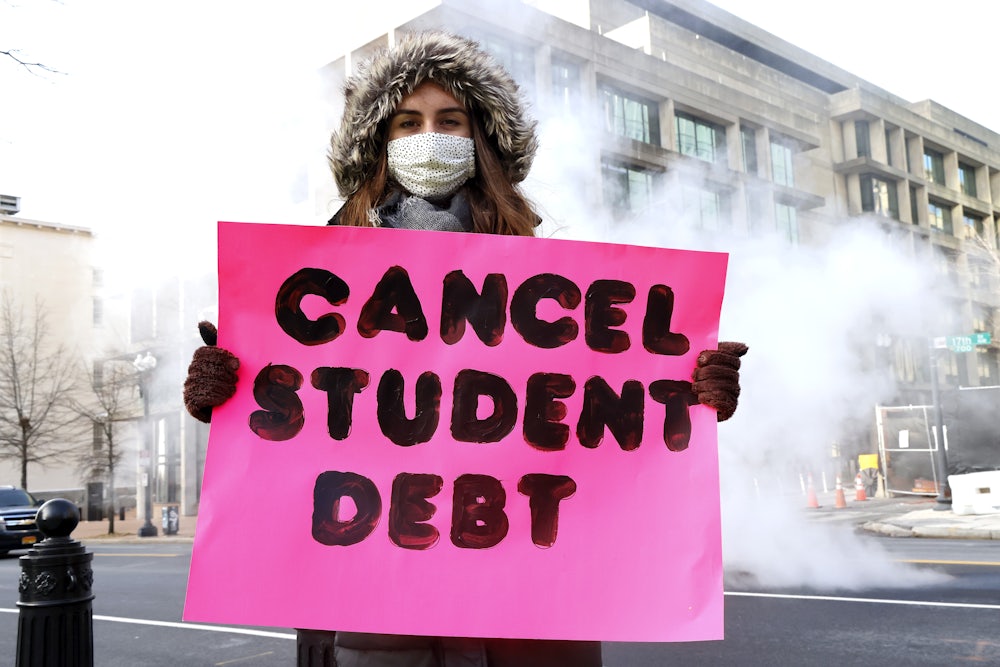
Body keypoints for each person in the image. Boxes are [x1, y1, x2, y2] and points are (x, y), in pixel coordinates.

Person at [184, 31, 748, 667]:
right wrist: (232, 390)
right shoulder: (321, 279)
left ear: (479, 138)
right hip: (377, 616)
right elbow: (295, 444)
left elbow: (605, 421)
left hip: (529, 621)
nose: (430, 136)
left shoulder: (553, 281)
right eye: (408, 122)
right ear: (381, 143)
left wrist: (688, 386)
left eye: (450, 120)